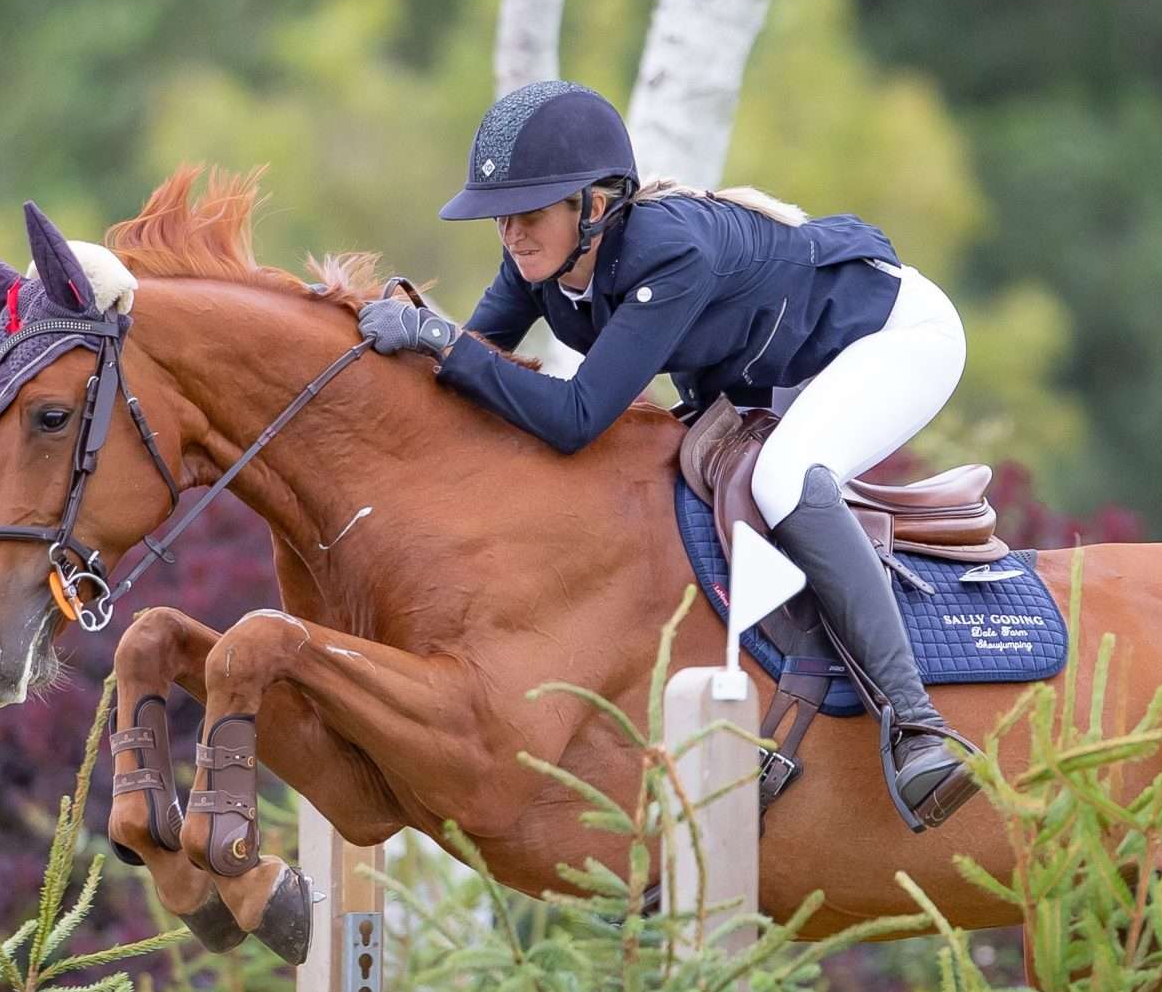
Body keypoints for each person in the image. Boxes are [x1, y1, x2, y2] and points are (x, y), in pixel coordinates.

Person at [358, 79, 971, 825]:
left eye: (529, 213)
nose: (511, 234)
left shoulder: (667, 249)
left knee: (783, 480)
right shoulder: (543, 266)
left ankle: (917, 729)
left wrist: (438, 338)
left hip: (893, 339)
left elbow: (575, 415)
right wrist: (382, 366)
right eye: (500, 218)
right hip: (776, 367)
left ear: (592, 205)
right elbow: (471, 371)